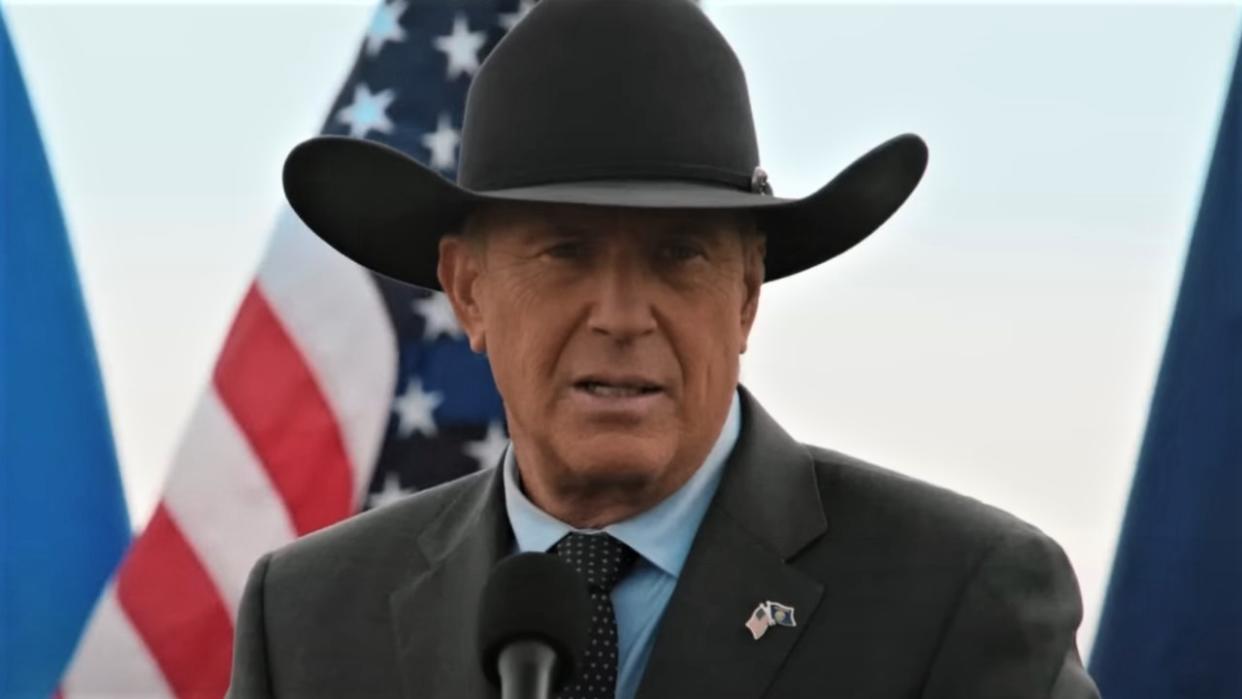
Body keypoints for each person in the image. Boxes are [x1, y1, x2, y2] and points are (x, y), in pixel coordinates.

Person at [228, 0, 1100, 697]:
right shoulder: (307, 618)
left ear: (748, 295)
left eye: (678, 255)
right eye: (566, 251)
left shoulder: (957, 594)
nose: (621, 314)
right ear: (467, 291)